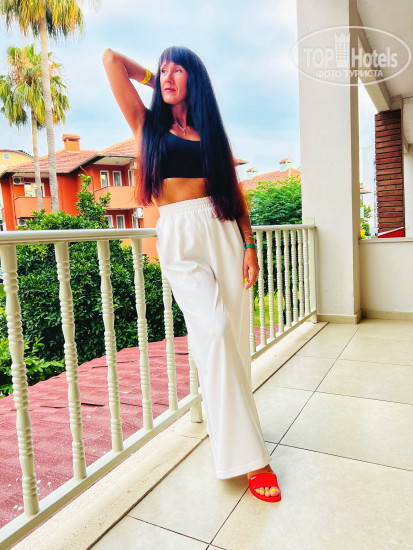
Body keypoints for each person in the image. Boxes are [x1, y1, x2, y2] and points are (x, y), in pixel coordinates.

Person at [102, 45, 281, 502]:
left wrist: (249, 244)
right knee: (214, 331)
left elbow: (234, 194)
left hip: (223, 231)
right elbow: (110, 60)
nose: (167, 75)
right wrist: (156, 79)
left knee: (232, 342)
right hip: (180, 238)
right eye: (163, 69)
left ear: (194, 78)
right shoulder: (147, 126)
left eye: (177, 70)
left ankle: (235, 433)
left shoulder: (210, 134)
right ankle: (253, 460)